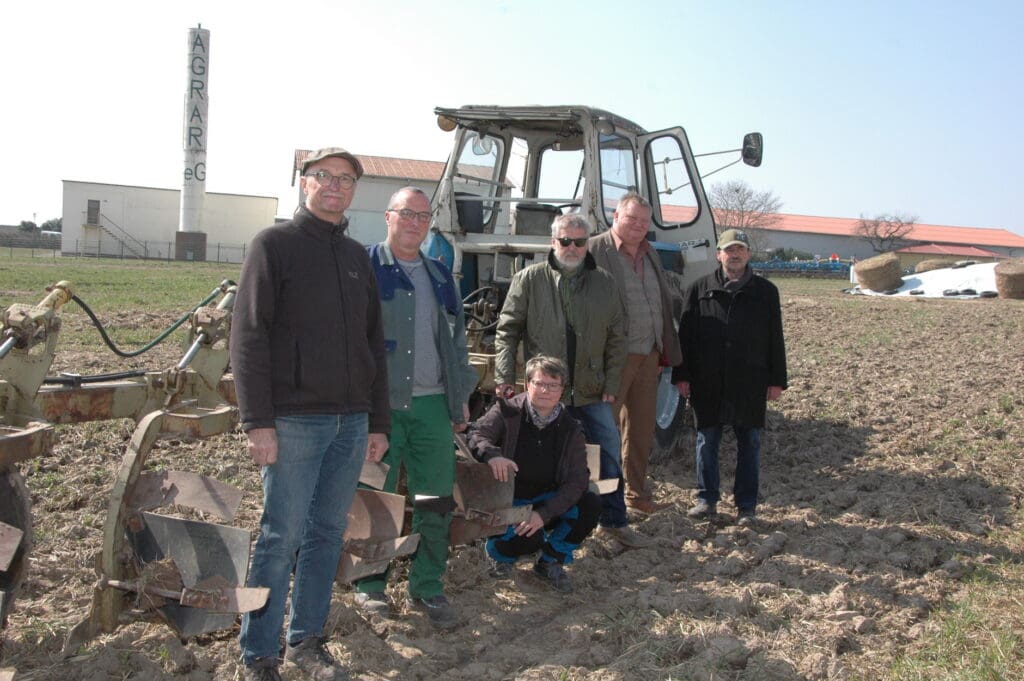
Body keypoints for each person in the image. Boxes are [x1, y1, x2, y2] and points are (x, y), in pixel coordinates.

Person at [230, 147, 390, 681]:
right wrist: (257, 421)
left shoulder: (354, 258)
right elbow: (248, 335)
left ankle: (306, 642)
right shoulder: (273, 245)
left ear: (353, 191)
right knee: (281, 536)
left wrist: (379, 422)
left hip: (350, 422)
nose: (334, 186)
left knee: (325, 534)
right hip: (295, 421)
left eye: (345, 180)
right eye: (324, 176)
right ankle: (258, 654)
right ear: (304, 184)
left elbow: (373, 345)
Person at [354, 187, 479, 628]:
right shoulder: (365, 267)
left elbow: (457, 344)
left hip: (432, 408)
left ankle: (427, 586)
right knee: (378, 499)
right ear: (388, 217)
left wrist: (459, 396)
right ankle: (370, 586)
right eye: (406, 214)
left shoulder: (441, 276)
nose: (415, 222)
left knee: (434, 500)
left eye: (423, 216)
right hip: (381, 408)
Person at [493, 213, 648, 547]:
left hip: (591, 390)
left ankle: (614, 521)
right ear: (554, 242)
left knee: (607, 454)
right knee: (540, 461)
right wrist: (505, 376)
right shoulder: (529, 279)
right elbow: (507, 331)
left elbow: (618, 336)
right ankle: (530, 526)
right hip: (548, 393)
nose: (573, 248)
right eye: (566, 241)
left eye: (580, 242)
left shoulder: (604, 282)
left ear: (587, 244)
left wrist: (611, 381)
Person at [672, 228, 788, 526]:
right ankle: (706, 500)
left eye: (740, 250)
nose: (734, 255)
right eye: (728, 250)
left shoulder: (765, 292)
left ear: (748, 254)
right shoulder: (699, 289)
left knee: (749, 442)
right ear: (718, 254)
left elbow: (775, 338)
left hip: (749, 380)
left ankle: (746, 507)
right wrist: (682, 375)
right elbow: (685, 336)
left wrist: (776, 380)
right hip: (707, 380)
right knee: (705, 440)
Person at [469, 356, 601, 593]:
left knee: (590, 503)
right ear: (527, 383)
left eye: (552, 385)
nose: (545, 390)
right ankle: (499, 555)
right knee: (528, 541)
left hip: (547, 498)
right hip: (509, 499)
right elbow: (478, 434)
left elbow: (578, 479)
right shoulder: (506, 411)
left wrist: (544, 514)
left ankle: (551, 559)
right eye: (539, 383)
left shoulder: (571, 428)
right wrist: (492, 455)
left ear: (562, 390)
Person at [589, 192, 682, 514]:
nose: (638, 226)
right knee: (600, 432)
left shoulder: (650, 252)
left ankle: (637, 495)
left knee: (641, 431)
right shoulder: (594, 249)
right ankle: (595, 501)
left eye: (644, 221)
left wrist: (661, 350)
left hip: (648, 356)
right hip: (611, 359)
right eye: (632, 219)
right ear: (616, 216)